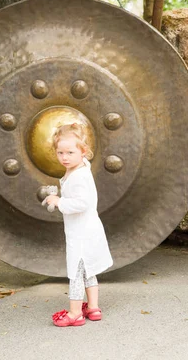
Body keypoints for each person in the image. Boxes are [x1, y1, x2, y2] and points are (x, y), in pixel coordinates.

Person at [44, 123, 113, 327]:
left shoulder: (78, 176)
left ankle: (75, 313)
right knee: (88, 270)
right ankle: (93, 307)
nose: (64, 157)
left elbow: (82, 203)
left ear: (83, 151)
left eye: (70, 152)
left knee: (76, 272)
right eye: (60, 152)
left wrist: (59, 202)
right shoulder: (81, 166)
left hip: (81, 234)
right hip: (87, 230)